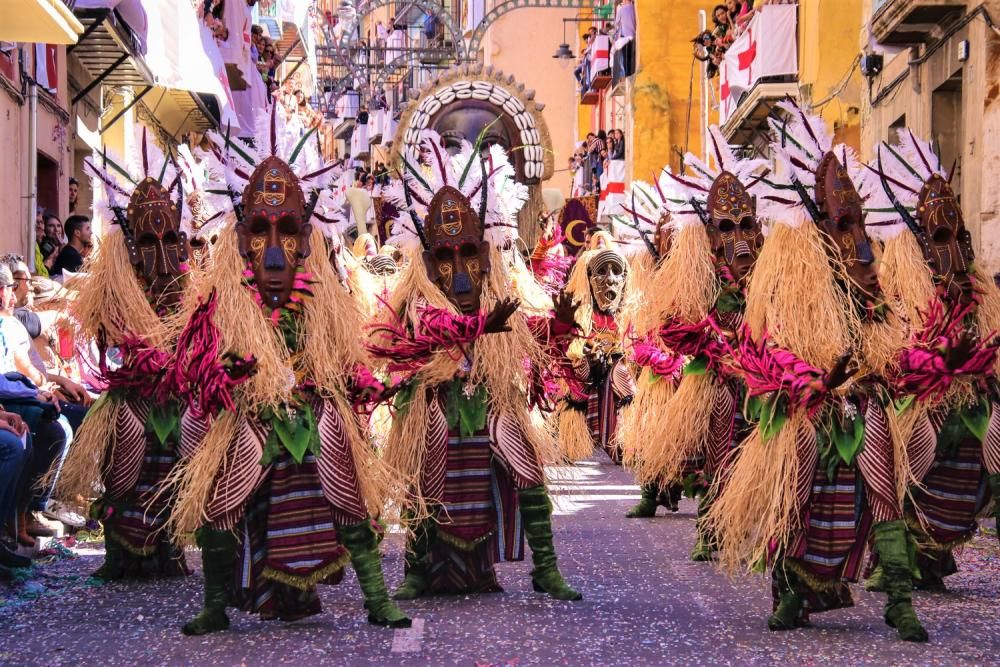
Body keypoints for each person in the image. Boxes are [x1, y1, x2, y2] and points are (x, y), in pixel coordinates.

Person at [168, 108, 410, 634]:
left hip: (313, 413)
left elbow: (348, 360)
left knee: (351, 497)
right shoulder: (217, 301)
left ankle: (377, 599)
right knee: (218, 501)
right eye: (259, 230)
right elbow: (197, 368)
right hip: (250, 416)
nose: (273, 251)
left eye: (287, 231)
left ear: (306, 238)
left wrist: (348, 384)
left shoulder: (328, 298)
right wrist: (226, 373)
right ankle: (213, 604)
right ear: (238, 238)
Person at [706, 103, 930, 642]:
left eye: (855, 224)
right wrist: (812, 380)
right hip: (800, 404)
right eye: (840, 223)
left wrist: (877, 366)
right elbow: (765, 345)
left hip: (857, 398)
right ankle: (787, 594)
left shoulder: (863, 272)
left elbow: (887, 333)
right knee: (794, 484)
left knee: (884, 487)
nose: (852, 236)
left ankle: (901, 600)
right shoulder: (782, 279)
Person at [369, 134, 581, 603]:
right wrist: (481, 327)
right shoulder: (417, 302)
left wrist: (560, 328)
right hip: (434, 406)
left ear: (485, 255)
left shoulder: (500, 295)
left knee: (528, 470)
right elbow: (426, 334)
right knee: (421, 475)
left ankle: (546, 568)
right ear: (427, 260)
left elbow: (530, 339)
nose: (458, 272)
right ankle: (418, 569)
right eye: (444, 258)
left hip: (492, 398)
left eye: (468, 255)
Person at [56, 137, 196, 582]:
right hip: (132, 393)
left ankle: (169, 548)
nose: (158, 251)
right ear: (130, 242)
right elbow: (100, 330)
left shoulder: (190, 285)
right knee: (127, 453)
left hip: (175, 393)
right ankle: (120, 555)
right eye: (146, 240)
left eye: (168, 238)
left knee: (178, 460)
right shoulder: (118, 283)